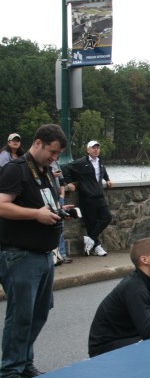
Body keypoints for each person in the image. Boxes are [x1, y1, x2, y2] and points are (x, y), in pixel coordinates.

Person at [0, 124, 71, 378]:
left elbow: (43, 203)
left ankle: (24, 361)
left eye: (57, 155)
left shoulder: (47, 171)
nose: (54, 158)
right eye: (52, 152)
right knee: (20, 315)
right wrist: (36, 215)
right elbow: (1, 206)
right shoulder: (15, 169)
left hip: (44, 254)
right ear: (38, 143)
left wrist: (59, 212)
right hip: (20, 254)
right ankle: (10, 369)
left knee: (39, 312)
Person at [63, 140, 112, 257]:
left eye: (97, 148)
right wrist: (69, 182)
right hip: (87, 197)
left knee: (107, 217)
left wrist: (108, 179)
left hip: (99, 196)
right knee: (91, 223)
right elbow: (65, 168)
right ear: (88, 150)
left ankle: (89, 239)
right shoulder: (81, 162)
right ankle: (97, 246)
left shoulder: (100, 162)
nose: (96, 149)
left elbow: (102, 171)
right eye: (93, 148)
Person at [51, 159, 72, 265]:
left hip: (59, 198)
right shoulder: (38, 164)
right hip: (49, 199)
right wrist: (51, 175)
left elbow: (62, 180)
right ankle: (54, 256)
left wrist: (62, 195)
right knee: (52, 227)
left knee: (61, 227)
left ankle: (62, 254)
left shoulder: (55, 163)